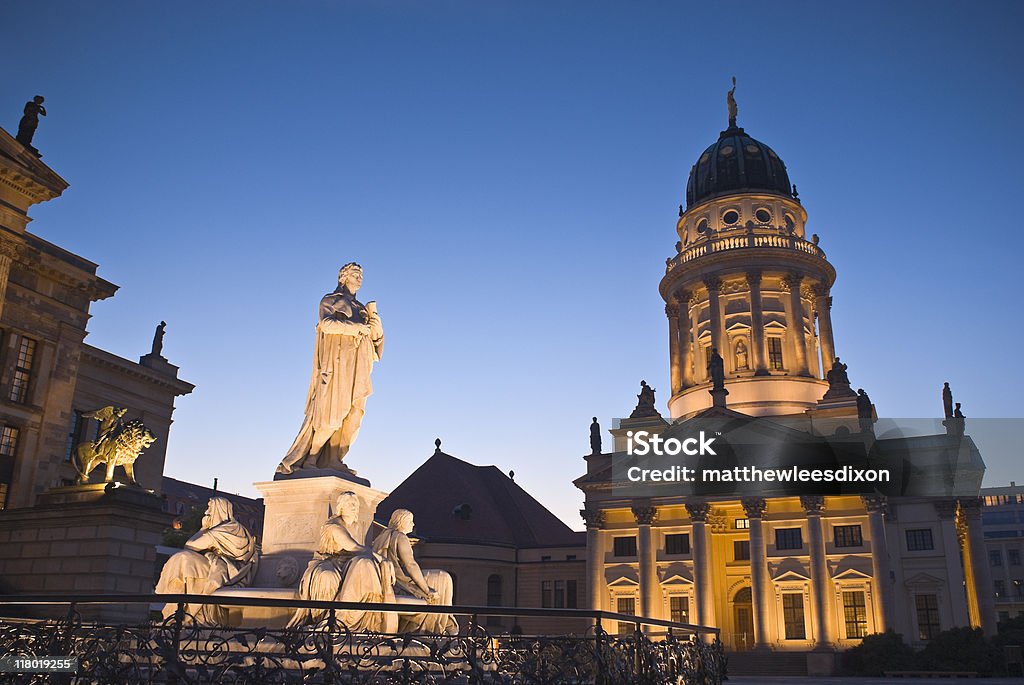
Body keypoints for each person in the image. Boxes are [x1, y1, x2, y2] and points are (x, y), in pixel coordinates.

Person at [277, 263, 384, 475]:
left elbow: (375, 339)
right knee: (333, 413)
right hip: (337, 364)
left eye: (361, 274)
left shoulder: (362, 309)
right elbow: (326, 324)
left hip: (359, 365)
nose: (360, 277)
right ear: (343, 277)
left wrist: (374, 321)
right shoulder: (331, 300)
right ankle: (312, 459)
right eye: (355, 274)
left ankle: (335, 459)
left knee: (354, 415)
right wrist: (357, 328)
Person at [287, 492, 391, 631]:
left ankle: (347, 618)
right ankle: (324, 621)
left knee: (365, 564)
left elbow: (357, 550)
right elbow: (353, 546)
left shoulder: (356, 526)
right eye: (349, 504)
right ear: (341, 507)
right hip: (330, 561)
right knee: (327, 576)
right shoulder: (333, 526)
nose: (354, 507)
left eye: (355, 504)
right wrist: (380, 558)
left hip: (347, 562)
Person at [155, 497, 259, 624]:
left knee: (183, 558)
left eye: (210, 508)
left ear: (218, 510)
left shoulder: (222, 530)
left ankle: (175, 616)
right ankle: (175, 614)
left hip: (227, 570)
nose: (206, 512)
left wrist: (203, 529)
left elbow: (190, 545)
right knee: (183, 560)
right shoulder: (236, 528)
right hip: (227, 569)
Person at [372, 509, 458, 634]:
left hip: (395, 579)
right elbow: (411, 564)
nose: (413, 525)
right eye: (410, 521)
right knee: (443, 578)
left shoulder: (382, 536)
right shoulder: (400, 537)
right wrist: (427, 590)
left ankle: (444, 622)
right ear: (402, 522)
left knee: (441, 578)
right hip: (399, 582)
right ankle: (441, 625)